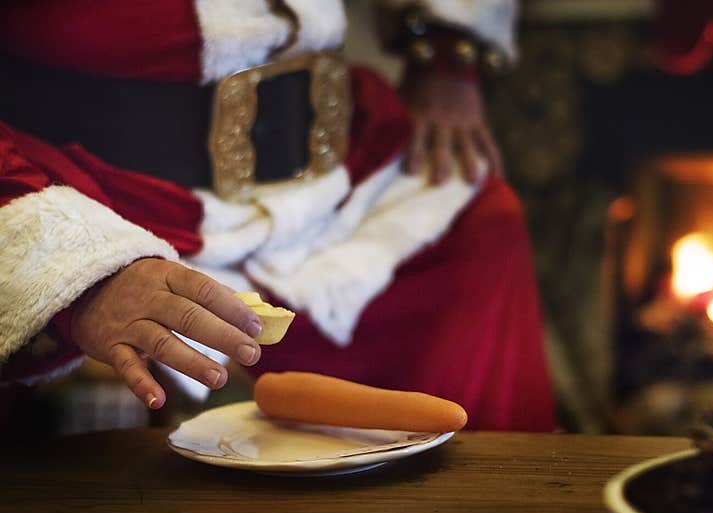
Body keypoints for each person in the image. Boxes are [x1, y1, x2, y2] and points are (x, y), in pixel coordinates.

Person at [0, 0, 556, 431]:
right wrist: (76, 272)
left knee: (481, 228)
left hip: (332, 175)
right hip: (92, 197)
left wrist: (447, 41)